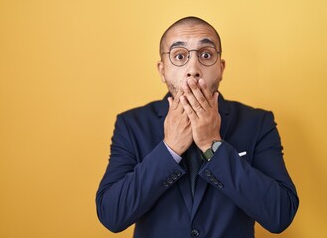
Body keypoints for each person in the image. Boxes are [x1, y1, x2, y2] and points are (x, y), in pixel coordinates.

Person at [96, 16, 299, 238]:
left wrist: (213, 146)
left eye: (206, 55)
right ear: (162, 70)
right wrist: (170, 149)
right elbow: (111, 215)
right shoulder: (132, 124)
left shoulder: (258, 123)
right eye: (180, 56)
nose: (193, 69)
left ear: (221, 68)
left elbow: (280, 214)